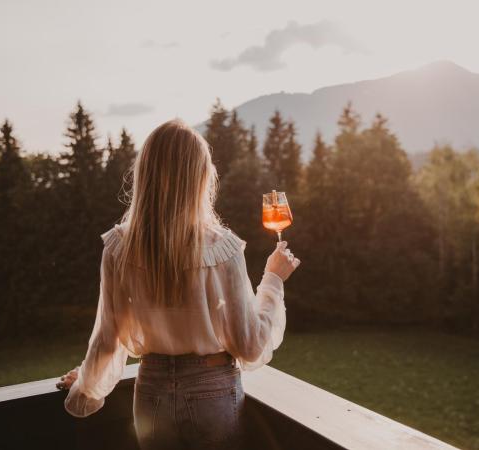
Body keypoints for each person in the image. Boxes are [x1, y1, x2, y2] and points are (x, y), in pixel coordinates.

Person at [55, 118, 300, 449]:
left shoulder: (119, 247)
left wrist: (85, 388)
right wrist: (273, 279)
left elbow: (108, 339)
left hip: (151, 392)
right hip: (213, 393)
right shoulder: (223, 248)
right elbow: (251, 345)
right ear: (201, 178)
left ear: (146, 174)